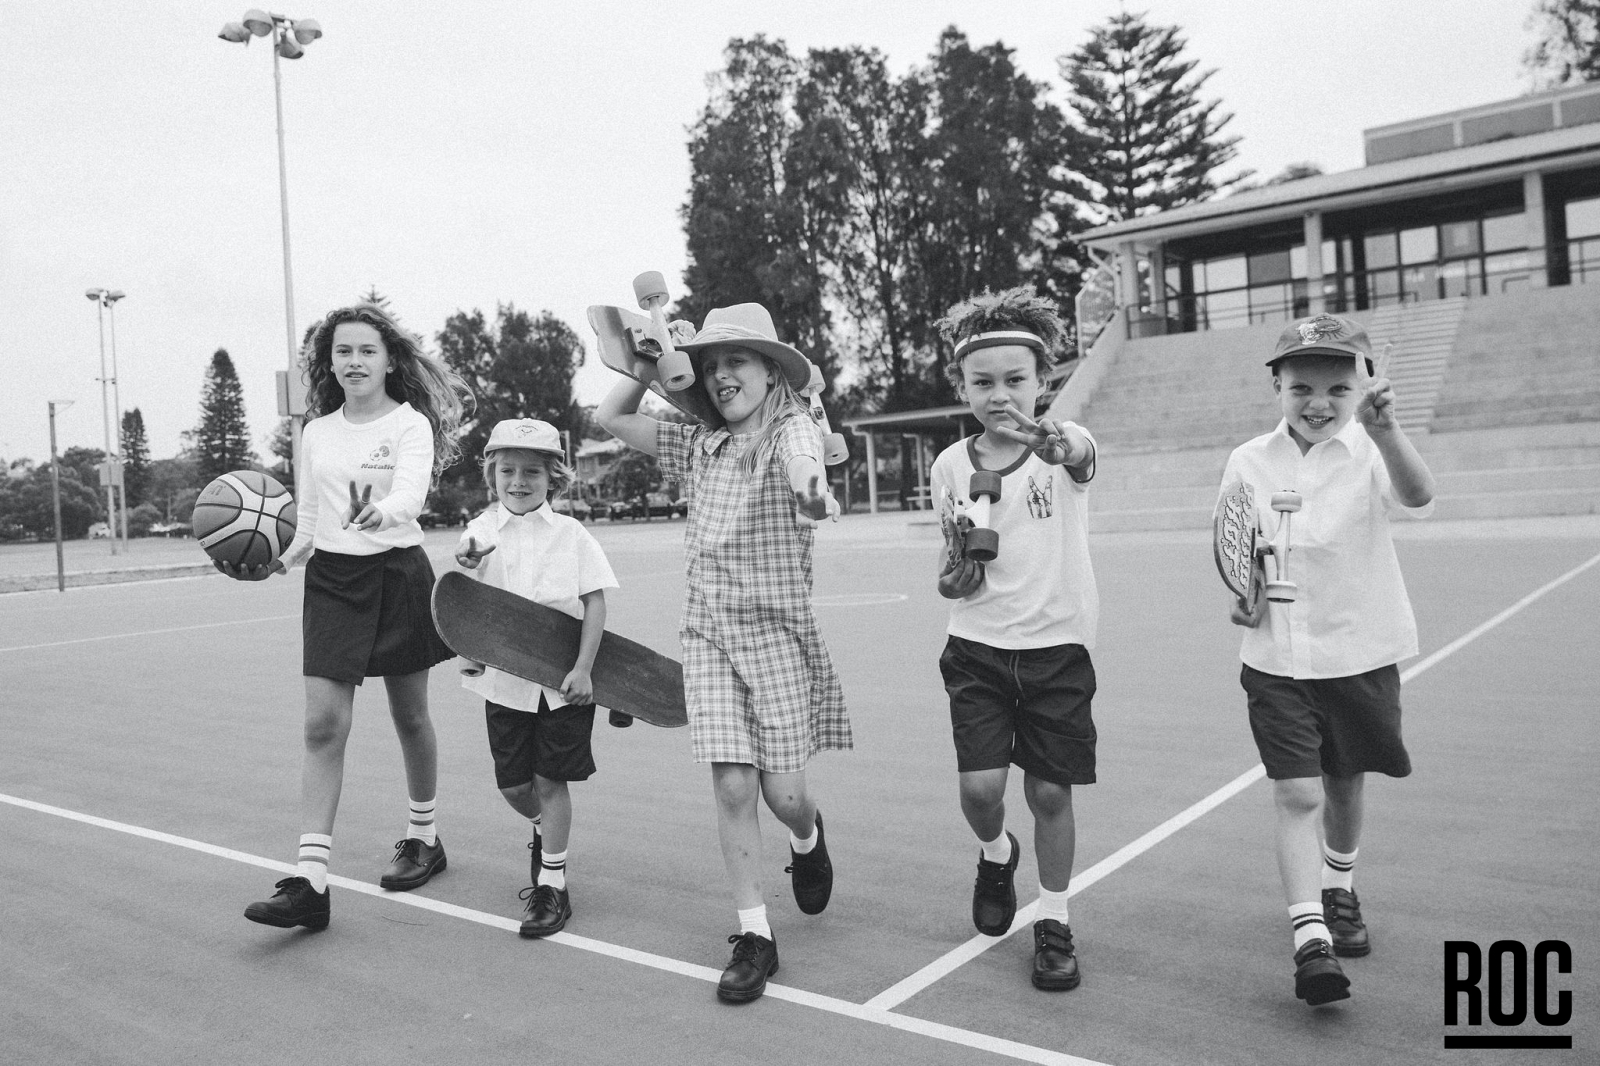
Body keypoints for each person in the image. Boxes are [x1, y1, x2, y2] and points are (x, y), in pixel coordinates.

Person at [595, 303, 848, 1004]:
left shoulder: (793, 428)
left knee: (783, 795)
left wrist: (812, 490)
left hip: (777, 637)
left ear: (771, 372)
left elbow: (805, 465)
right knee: (734, 786)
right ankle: (755, 935)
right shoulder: (698, 442)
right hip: (708, 635)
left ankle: (807, 836)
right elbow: (611, 418)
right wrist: (645, 364)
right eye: (710, 366)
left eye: (737, 360)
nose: (721, 375)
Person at [227, 303, 471, 931]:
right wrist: (278, 560)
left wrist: (382, 512)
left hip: (397, 572)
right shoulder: (316, 432)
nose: (355, 361)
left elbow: (410, 493)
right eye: (343, 352)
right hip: (333, 582)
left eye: (367, 351)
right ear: (328, 363)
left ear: (389, 360)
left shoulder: (409, 424)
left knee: (410, 715)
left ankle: (424, 837)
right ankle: (310, 882)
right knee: (322, 725)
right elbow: (308, 519)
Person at [1221, 313, 1435, 1006]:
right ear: (1277, 387)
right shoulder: (1249, 460)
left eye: (1338, 389)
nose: (1319, 403)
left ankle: (1339, 883)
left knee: (1344, 784)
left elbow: (1419, 495)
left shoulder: (1372, 448)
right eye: (1302, 388)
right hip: (1276, 660)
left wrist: (1386, 431)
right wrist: (1246, 594)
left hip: (1359, 652)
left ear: (1362, 389)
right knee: (1298, 793)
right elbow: (1237, 545)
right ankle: (1310, 937)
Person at [929, 286, 1100, 992]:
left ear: (1042, 381)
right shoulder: (947, 466)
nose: (999, 395)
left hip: (1057, 649)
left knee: (1051, 792)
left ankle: (1053, 921)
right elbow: (953, 563)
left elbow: (1079, 454)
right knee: (979, 789)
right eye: (983, 383)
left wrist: (1059, 444)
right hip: (976, 648)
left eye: (1015, 380)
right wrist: (956, 572)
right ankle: (996, 852)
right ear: (962, 386)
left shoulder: (1064, 446)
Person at [453, 418, 618, 938]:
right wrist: (468, 557)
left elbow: (595, 603)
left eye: (531, 472)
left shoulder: (572, 535)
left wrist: (585, 668)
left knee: (550, 780)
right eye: (507, 471)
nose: (518, 481)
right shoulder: (483, 528)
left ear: (553, 478)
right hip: (504, 683)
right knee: (513, 785)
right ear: (492, 475)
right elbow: (467, 559)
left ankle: (553, 884)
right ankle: (545, 831)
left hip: (565, 684)